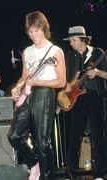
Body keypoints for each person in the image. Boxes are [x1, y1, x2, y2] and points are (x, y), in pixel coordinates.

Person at [7, 11, 66, 180]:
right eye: (30, 31)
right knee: (14, 136)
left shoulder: (55, 51)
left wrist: (38, 82)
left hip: (44, 94)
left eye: (36, 30)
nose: (33, 35)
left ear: (44, 28)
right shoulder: (27, 51)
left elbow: (61, 81)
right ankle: (35, 163)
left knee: (42, 142)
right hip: (28, 94)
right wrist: (17, 86)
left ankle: (48, 176)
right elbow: (25, 76)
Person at [63, 25, 107, 178]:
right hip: (77, 98)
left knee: (98, 134)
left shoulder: (98, 53)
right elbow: (65, 80)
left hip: (95, 96)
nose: (71, 43)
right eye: (70, 40)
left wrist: (98, 72)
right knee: (74, 134)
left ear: (82, 40)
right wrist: (66, 86)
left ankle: (101, 171)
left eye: (73, 40)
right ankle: (72, 170)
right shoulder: (69, 57)